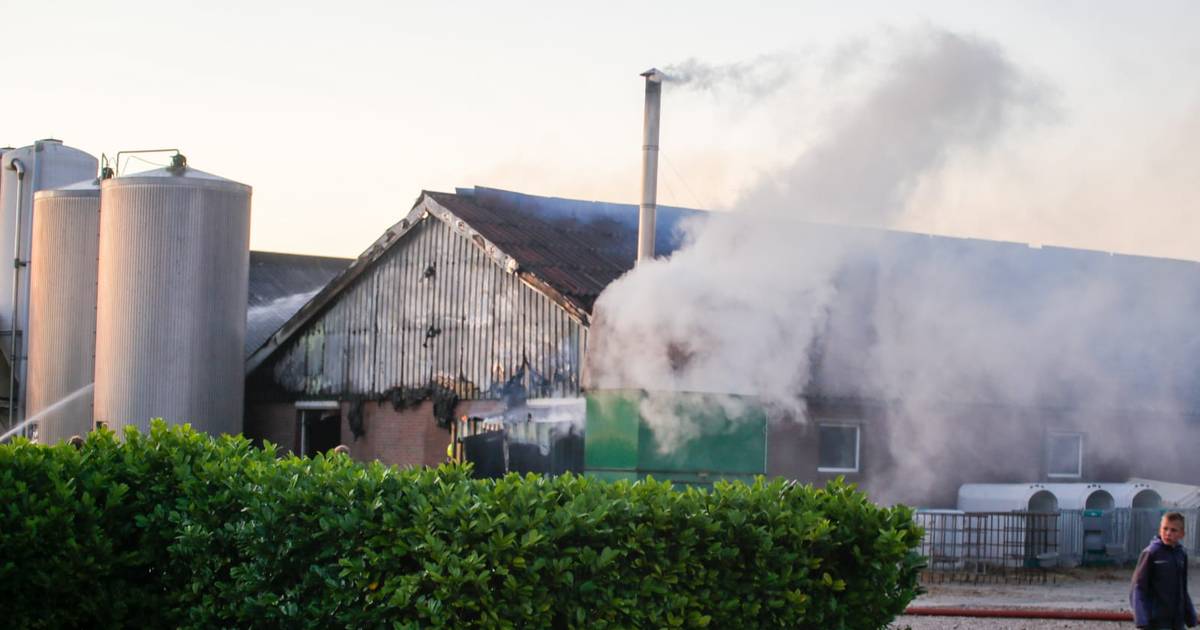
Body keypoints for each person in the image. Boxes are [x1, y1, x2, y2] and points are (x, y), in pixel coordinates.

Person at [1131, 512, 1198, 629]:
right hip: (1156, 620)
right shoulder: (1151, 553)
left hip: (1177, 619)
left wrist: (1190, 615)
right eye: (1165, 528)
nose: (1168, 533)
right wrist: (1141, 618)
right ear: (1159, 530)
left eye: (1173, 530)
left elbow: (1182, 588)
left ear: (1182, 534)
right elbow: (1138, 587)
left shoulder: (1181, 555)